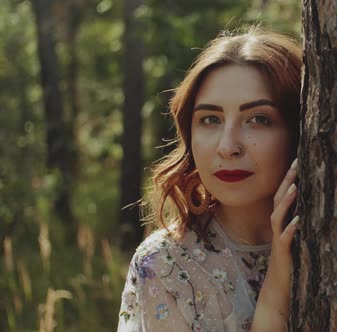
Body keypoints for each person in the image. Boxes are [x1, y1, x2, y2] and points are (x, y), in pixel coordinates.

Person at [117, 27, 302, 332]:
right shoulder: (167, 266)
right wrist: (275, 299)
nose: (228, 147)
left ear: (298, 128)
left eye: (258, 119)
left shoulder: (332, 236)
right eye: (210, 120)